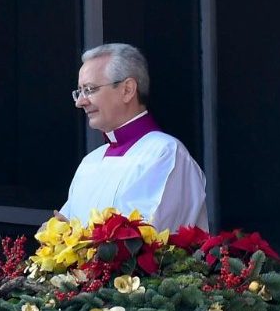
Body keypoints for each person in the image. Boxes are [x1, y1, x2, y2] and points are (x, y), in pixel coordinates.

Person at [60, 43, 208, 232]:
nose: (80, 102)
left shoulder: (165, 153)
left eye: (89, 89)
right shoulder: (90, 162)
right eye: (78, 92)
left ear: (127, 90)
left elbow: (151, 241)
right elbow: (64, 228)